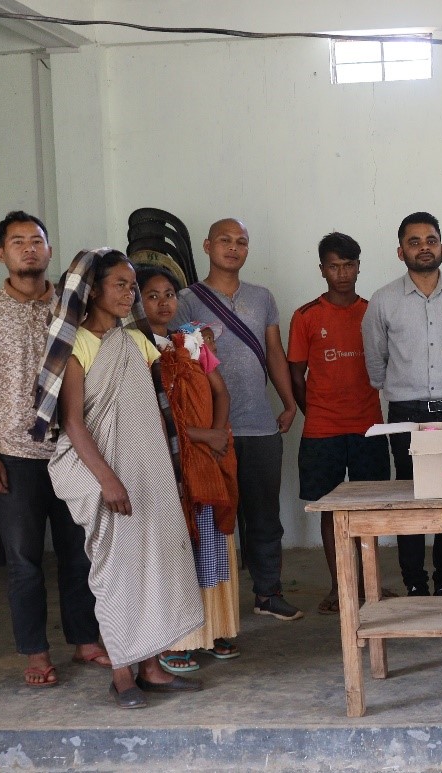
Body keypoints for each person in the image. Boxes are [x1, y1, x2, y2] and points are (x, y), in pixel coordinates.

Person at [37, 249, 203, 708]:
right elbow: (73, 422)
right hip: (104, 475)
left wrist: (169, 470)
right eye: (121, 285)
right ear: (93, 291)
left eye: (133, 286)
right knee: (115, 573)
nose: (130, 294)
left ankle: (151, 668)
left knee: (153, 566)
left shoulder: (134, 341)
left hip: (145, 473)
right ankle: (121, 673)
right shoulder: (77, 345)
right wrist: (108, 480)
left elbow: (154, 406)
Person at [0, 211, 111, 689]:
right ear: (1, 253)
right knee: (24, 561)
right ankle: (36, 652)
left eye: (37, 241)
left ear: (49, 250)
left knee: (79, 553)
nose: (29, 249)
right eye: (18, 242)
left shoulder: (73, 306)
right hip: (15, 454)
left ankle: (84, 640)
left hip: (73, 449)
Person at [176, 219, 303, 621]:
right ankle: (214, 606)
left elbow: (274, 352)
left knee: (265, 516)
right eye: (225, 240)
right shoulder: (186, 301)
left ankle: (268, 593)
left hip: (261, 425)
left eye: (241, 242)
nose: (233, 248)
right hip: (212, 430)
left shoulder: (262, 297)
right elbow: (182, 364)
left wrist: (289, 402)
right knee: (212, 518)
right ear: (207, 245)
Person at [365, 212, 442, 596]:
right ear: (400, 251)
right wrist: (402, 387)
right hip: (406, 413)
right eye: (414, 242)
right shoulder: (384, 300)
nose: (424, 248)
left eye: (430, 240)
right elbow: (375, 360)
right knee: (410, 496)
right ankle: (415, 583)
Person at [138, 265, 241, 672]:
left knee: (212, 541)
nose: (163, 303)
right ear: (137, 302)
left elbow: (221, 392)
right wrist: (203, 436)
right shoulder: (136, 349)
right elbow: (151, 415)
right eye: (152, 295)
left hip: (207, 457)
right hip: (168, 461)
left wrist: (217, 437)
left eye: (169, 294)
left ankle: (214, 629)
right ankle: (178, 640)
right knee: (180, 548)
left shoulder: (191, 341)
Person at [287, 232, 393, 610]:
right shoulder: (306, 316)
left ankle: (370, 585)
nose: (342, 273)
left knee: (369, 510)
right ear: (322, 270)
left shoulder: (374, 312)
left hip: (369, 427)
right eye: (334, 266)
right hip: (322, 431)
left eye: (349, 265)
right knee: (330, 511)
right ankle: (340, 588)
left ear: (359, 267)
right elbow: (295, 373)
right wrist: (314, 411)